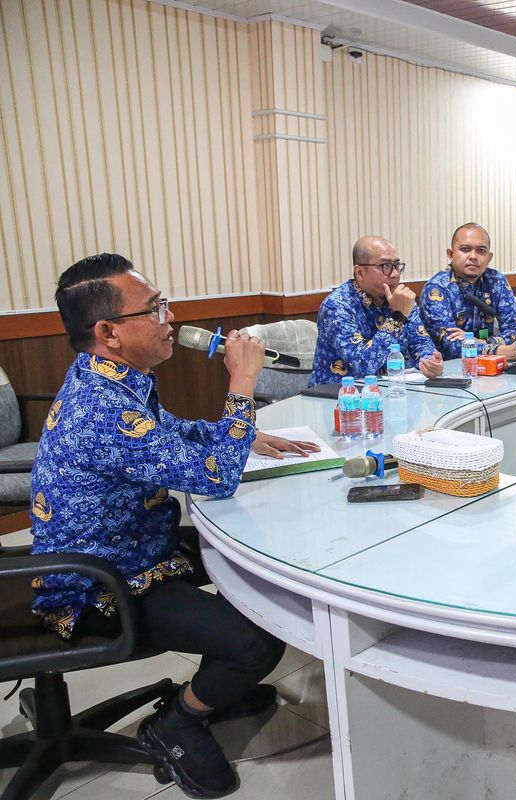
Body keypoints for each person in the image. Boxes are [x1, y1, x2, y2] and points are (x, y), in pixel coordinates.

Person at [31, 254, 319, 798]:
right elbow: (214, 479)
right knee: (262, 636)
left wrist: (230, 433)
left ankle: (220, 686)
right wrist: (241, 388)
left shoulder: (114, 377)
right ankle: (179, 720)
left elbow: (163, 431)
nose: (170, 317)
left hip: (136, 543)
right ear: (109, 331)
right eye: (156, 308)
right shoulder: (100, 407)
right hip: (99, 582)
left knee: (254, 555)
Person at [310, 235, 443, 385]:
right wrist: (397, 317)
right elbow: (363, 365)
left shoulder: (401, 299)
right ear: (360, 273)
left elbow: (420, 342)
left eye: (397, 266)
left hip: (388, 392)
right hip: (340, 398)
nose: (395, 274)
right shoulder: (336, 306)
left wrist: (430, 362)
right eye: (385, 266)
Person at [420, 222, 516, 360]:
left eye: (481, 251)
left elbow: (515, 330)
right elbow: (452, 346)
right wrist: (501, 350)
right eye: (465, 249)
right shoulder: (437, 288)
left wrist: (483, 343)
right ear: (451, 254)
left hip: (492, 367)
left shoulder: (496, 281)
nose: (473, 256)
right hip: (447, 370)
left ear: (489, 257)